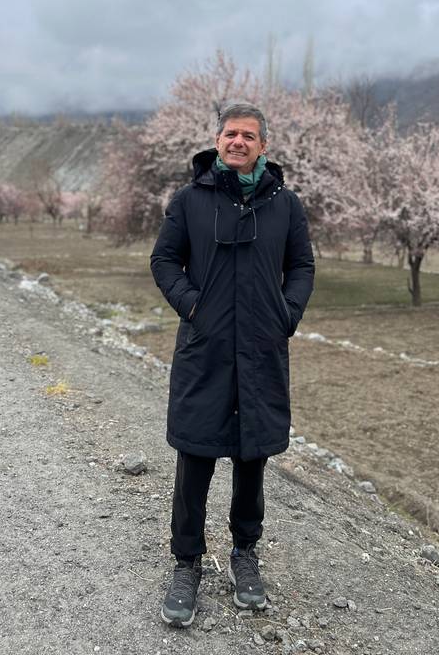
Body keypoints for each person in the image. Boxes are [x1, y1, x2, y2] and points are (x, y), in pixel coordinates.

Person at [150, 101, 315, 627]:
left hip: (262, 351)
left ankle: (246, 554)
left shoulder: (285, 205)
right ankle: (186, 563)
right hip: (207, 351)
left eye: (248, 135)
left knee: (252, 458)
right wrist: (192, 306)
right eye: (229, 134)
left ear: (263, 145)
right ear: (217, 141)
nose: (237, 142)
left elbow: (302, 265)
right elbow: (163, 259)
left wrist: (286, 314)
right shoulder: (189, 200)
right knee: (195, 457)